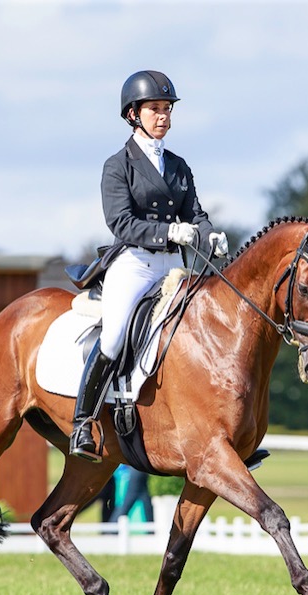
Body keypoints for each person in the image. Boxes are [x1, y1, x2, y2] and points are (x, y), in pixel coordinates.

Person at [69, 69, 229, 462]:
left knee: (209, 331)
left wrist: (211, 236)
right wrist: (168, 233)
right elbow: (120, 222)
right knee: (114, 334)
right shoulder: (117, 165)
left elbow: (197, 214)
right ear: (133, 115)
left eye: (167, 110)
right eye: (155, 109)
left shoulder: (177, 165)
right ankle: (82, 422)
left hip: (174, 266)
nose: (164, 117)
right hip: (136, 264)